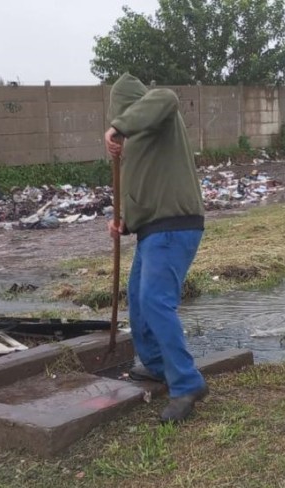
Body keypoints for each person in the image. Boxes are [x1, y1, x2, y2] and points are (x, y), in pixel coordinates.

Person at [105, 72, 209, 422]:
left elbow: (166, 95)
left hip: (174, 227)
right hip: (151, 232)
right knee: (137, 299)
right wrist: (124, 223)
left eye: (120, 115)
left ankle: (186, 384)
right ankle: (154, 365)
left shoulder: (162, 115)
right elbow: (144, 189)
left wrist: (120, 125)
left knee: (155, 301)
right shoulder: (138, 145)